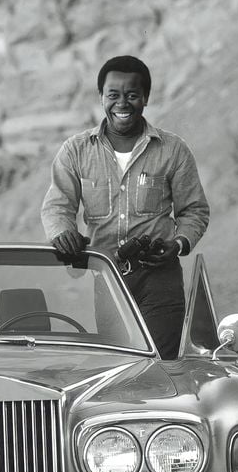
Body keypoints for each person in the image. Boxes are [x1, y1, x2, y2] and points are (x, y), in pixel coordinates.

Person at [40, 55, 210, 359]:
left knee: (159, 367)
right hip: (108, 279)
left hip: (161, 279)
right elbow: (57, 205)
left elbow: (194, 210)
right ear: (101, 98)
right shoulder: (75, 151)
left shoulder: (173, 149)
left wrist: (179, 244)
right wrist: (63, 233)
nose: (122, 103)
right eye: (113, 95)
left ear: (145, 97)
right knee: (117, 366)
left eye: (132, 95)